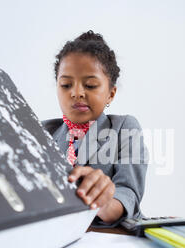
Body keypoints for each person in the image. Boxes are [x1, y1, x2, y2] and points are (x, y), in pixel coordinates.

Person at [42, 30, 147, 227]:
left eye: (90, 85)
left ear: (110, 94)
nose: (77, 93)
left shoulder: (124, 128)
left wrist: (106, 203)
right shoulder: (43, 132)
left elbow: (129, 193)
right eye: (66, 85)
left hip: (105, 237)